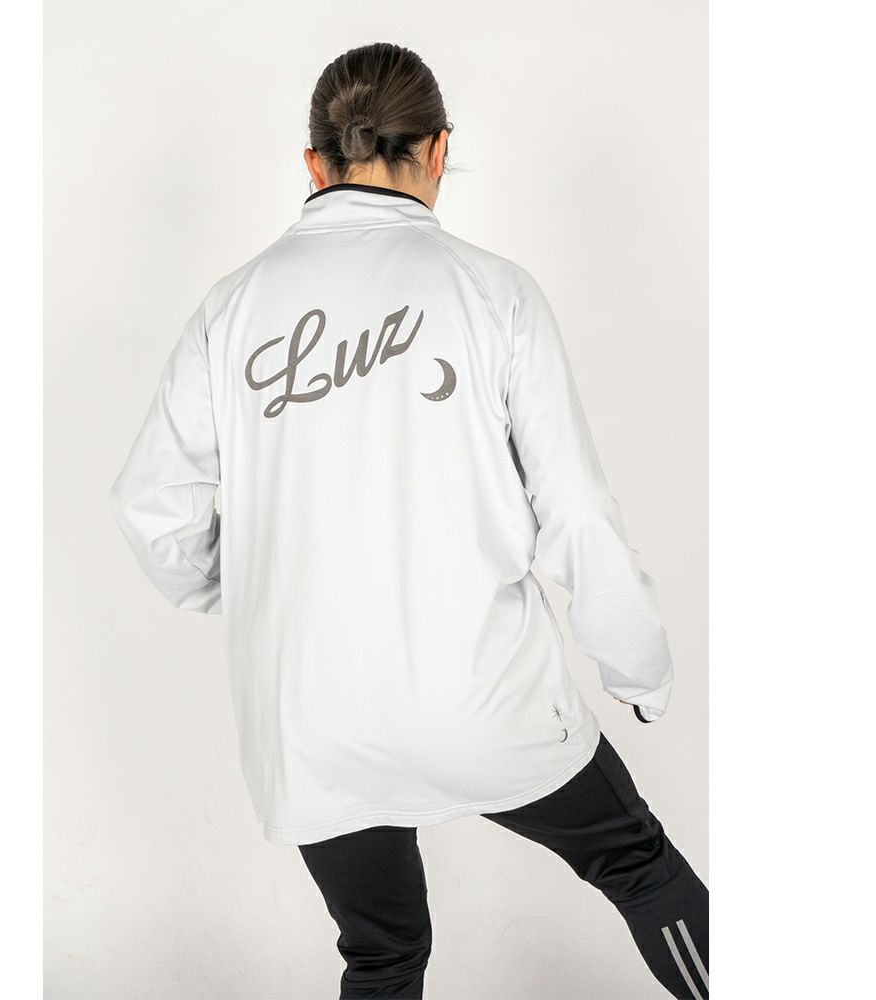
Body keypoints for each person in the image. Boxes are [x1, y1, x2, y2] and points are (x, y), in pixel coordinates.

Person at [110, 41, 709, 1000]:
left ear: (314, 163)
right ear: (438, 150)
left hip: (312, 722)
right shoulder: (495, 292)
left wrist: (246, 582)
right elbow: (577, 514)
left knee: (383, 953)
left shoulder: (231, 310)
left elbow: (153, 509)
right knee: (639, 867)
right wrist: (638, 669)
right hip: (484, 700)